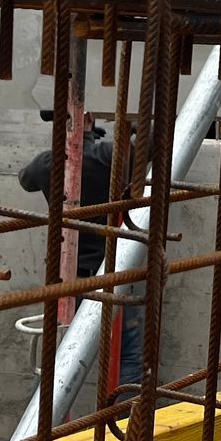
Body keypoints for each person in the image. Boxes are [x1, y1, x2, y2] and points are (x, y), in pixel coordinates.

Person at [19, 116, 143, 391]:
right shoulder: (107, 155)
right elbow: (148, 151)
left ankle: (50, 421)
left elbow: (25, 179)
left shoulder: (46, 163)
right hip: (111, 271)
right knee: (126, 355)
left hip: (67, 277)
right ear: (87, 118)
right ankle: (121, 427)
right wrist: (133, 129)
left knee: (60, 355)